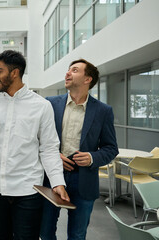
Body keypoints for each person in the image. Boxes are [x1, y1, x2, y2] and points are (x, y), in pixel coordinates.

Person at [0, 50, 69, 239]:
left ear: (14, 72)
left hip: (28, 189)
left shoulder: (41, 106)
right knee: (2, 236)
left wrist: (57, 181)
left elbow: (49, 148)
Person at [40, 59, 119, 240]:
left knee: (77, 234)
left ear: (87, 79)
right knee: (45, 231)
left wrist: (92, 157)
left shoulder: (103, 111)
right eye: (68, 70)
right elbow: (35, 139)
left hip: (84, 179)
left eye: (74, 70)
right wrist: (53, 156)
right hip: (51, 176)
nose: (67, 73)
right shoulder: (49, 104)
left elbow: (111, 148)